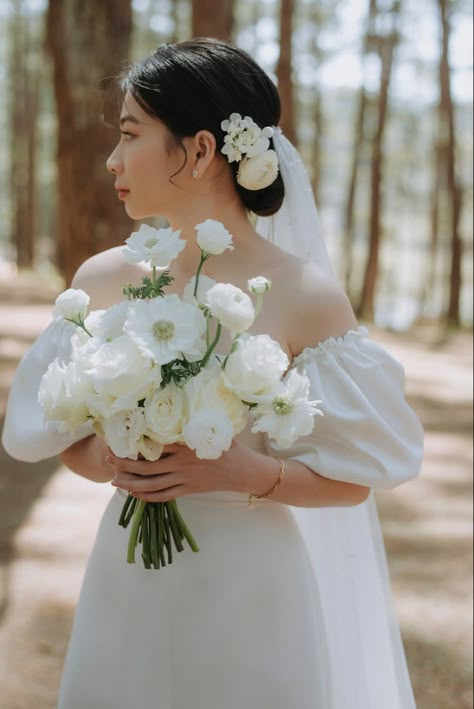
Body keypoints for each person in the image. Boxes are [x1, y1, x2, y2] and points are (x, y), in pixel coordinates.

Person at [2, 38, 424, 709]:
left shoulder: (303, 294)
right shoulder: (103, 282)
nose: (112, 159)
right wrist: (111, 454)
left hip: (252, 589)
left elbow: (355, 482)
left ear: (199, 151)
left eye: (130, 134)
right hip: (128, 575)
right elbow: (57, 438)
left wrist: (246, 473)